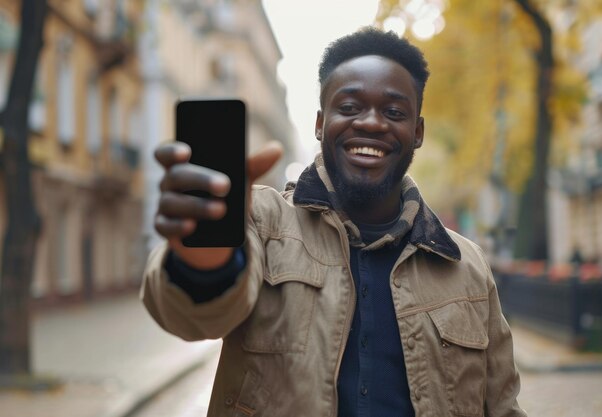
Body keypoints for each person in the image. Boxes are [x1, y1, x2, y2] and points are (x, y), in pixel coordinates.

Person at [141, 27, 527, 417]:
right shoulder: (258, 222)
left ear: (418, 132)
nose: (372, 123)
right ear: (320, 123)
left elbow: (503, 406)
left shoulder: (468, 265)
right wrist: (205, 258)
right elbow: (193, 320)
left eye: (394, 112)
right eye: (350, 107)